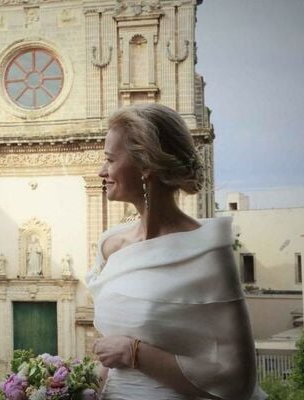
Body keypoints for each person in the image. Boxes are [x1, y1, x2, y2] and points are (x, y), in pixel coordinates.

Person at [88, 104, 266, 400]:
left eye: (109, 159)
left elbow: (238, 379)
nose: (101, 171)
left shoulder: (207, 251)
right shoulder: (110, 245)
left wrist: (135, 353)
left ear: (145, 165)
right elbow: (111, 358)